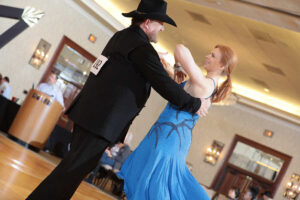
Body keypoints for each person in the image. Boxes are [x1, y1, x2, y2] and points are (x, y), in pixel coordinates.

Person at [26, 0, 211, 199]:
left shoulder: (122, 37)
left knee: (73, 170)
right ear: (148, 23)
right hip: (100, 123)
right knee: (70, 172)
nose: (162, 28)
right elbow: (164, 85)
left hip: (89, 116)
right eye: (160, 23)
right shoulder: (142, 48)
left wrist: (157, 63)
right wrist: (196, 104)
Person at [118, 43, 238, 199]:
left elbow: (180, 49)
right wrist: (177, 68)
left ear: (222, 65)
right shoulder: (201, 82)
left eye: (213, 55)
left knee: (154, 183)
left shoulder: (205, 84)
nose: (207, 56)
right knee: (146, 178)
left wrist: (180, 66)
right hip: (162, 134)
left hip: (170, 139)